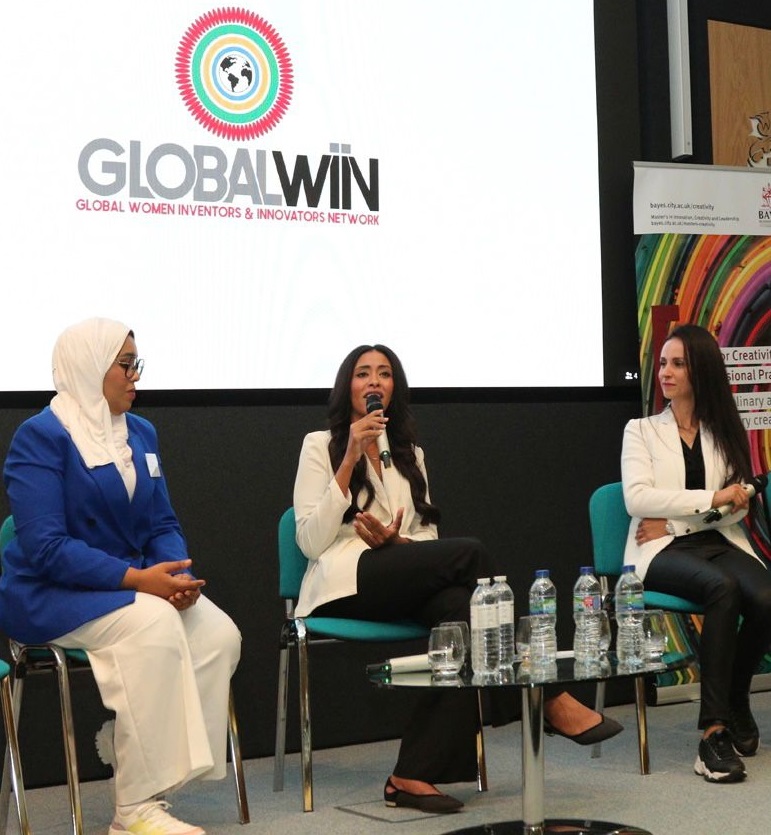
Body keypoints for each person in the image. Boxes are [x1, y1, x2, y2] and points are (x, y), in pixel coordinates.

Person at [293, 343, 622, 814]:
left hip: (397, 573)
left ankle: (411, 774)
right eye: (363, 374)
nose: (374, 382)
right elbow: (309, 541)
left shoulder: (409, 454)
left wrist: (398, 544)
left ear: (394, 388)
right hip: (344, 583)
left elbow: (427, 536)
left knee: (460, 610)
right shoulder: (318, 445)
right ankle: (546, 696)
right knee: (472, 554)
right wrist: (348, 459)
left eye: (384, 374)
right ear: (348, 386)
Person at [0, 318, 242, 835]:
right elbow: (46, 548)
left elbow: (162, 523)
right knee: (153, 624)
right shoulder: (40, 438)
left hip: (133, 586)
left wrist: (176, 575)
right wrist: (139, 580)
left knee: (219, 635)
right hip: (50, 594)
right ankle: (132, 811)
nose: (136, 376)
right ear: (90, 368)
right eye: (126, 365)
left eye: (137, 364)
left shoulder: (142, 433)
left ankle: (148, 769)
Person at [621, 323, 771, 784]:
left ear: (700, 370)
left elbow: (734, 508)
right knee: (722, 589)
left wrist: (678, 520)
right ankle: (713, 733)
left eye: (678, 364)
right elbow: (637, 499)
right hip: (658, 549)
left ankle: (736, 696)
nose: (665, 372)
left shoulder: (724, 430)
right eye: (663, 363)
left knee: (767, 598)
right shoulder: (641, 430)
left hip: (713, 539)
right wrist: (710, 500)